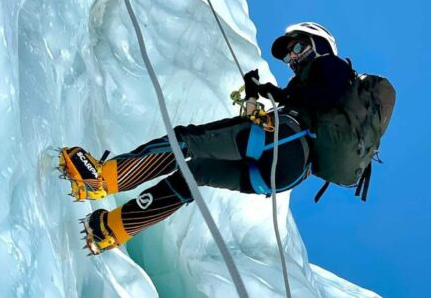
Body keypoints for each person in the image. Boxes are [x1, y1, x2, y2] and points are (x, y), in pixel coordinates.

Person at [60, 22, 356, 255]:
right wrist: (262, 91)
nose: (292, 57)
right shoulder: (313, 87)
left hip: (284, 141)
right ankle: (112, 229)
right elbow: (309, 100)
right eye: (289, 53)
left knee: (188, 140)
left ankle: (102, 179)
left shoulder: (331, 65)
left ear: (319, 45)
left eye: (298, 47)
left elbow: (317, 96)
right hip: (280, 173)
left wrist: (272, 95)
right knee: (194, 173)